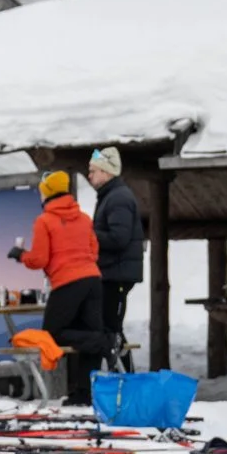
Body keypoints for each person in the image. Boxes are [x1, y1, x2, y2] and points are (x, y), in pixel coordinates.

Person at [9, 169, 105, 407]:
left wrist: (21, 255)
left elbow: (39, 259)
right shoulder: (84, 218)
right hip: (93, 281)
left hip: (66, 283)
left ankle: (101, 341)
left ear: (48, 193)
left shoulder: (45, 221)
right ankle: (85, 393)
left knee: (52, 334)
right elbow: (94, 251)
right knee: (90, 335)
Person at [88, 147, 143, 372]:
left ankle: (125, 376)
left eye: (93, 170)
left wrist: (89, 235)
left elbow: (119, 238)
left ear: (107, 172)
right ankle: (122, 374)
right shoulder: (110, 196)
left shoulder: (118, 198)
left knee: (112, 328)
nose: (89, 175)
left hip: (117, 274)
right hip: (113, 272)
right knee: (110, 327)